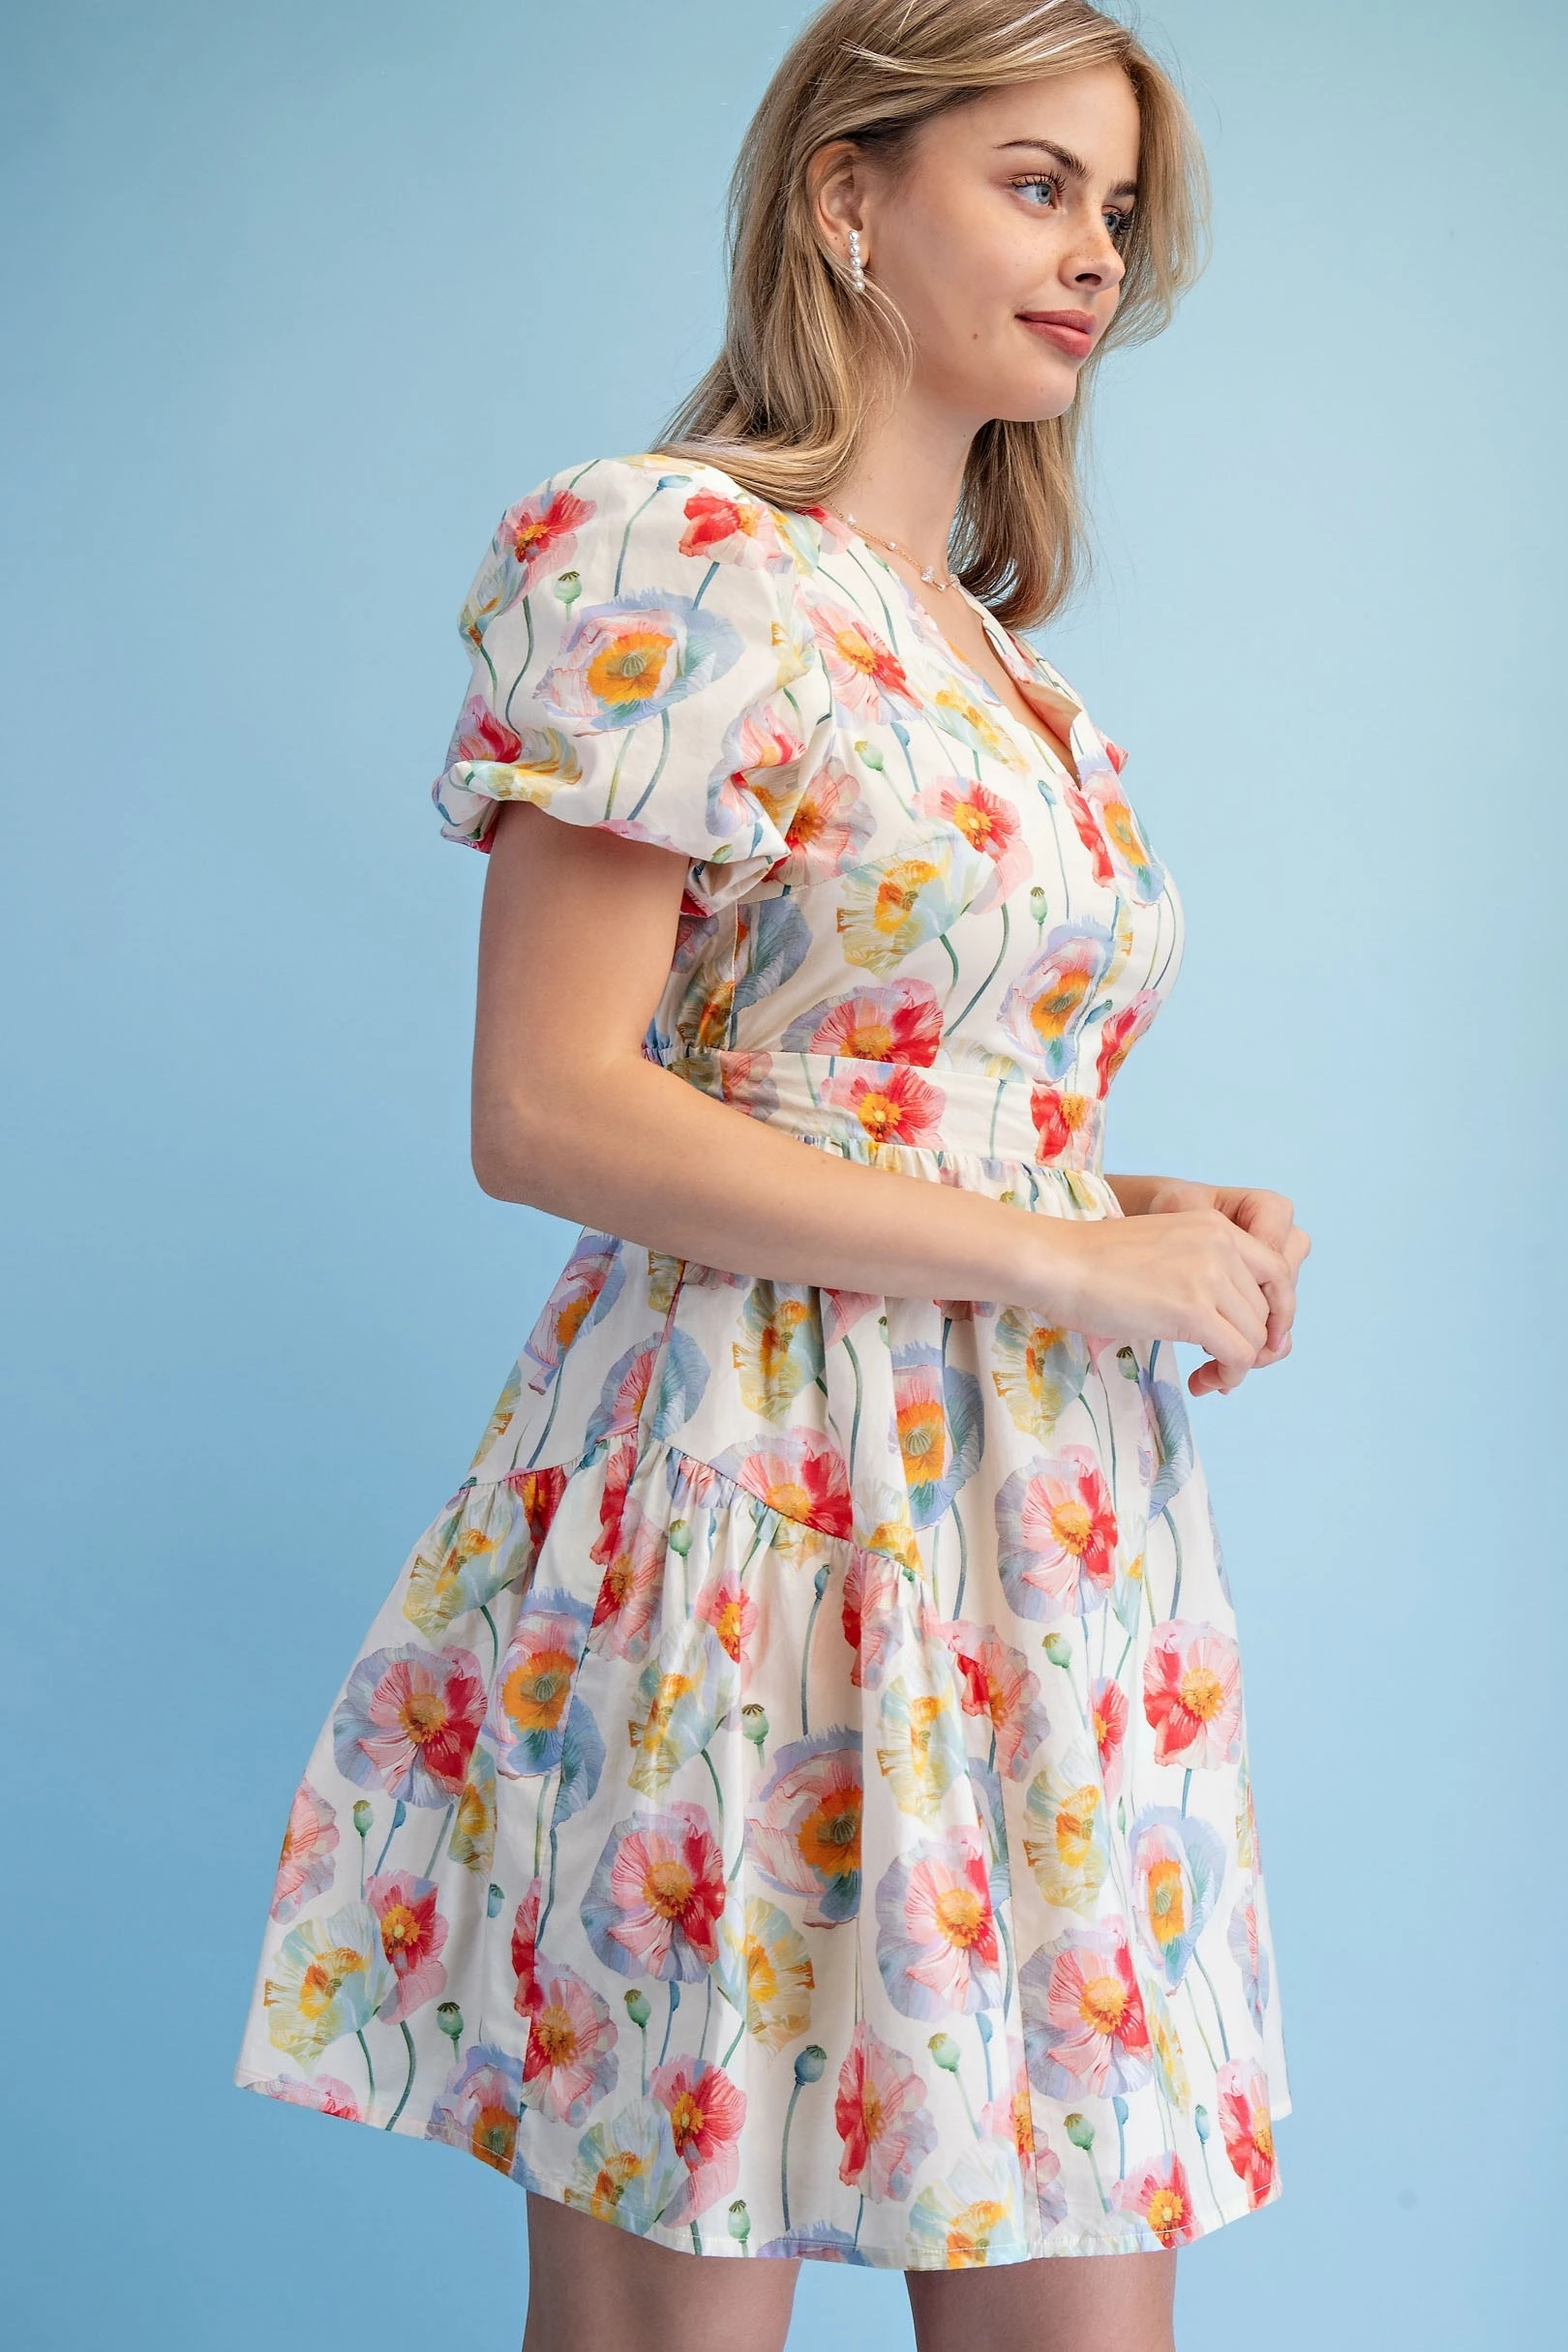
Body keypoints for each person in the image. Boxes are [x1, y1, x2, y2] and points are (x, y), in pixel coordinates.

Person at [233, 4, 1310, 2346]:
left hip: (1041, 1550)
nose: (1097, 256)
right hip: (754, 1508)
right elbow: (550, 1106)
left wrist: (1140, 1215)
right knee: (675, 2315)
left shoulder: (1009, 672)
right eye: (1036, 184)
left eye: (1120, 210)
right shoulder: (675, 555)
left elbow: (878, 1081)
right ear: (847, 196)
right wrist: (1059, 1260)